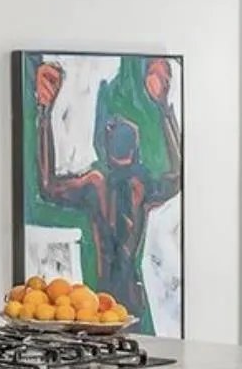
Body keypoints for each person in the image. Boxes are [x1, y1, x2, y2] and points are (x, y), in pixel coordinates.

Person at [33, 57, 182, 330]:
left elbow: (47, 186)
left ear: (103, 148)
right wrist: (164, 110)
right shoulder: (141, 184)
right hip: (132, 299)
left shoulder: (96, 184)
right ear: (135, 151)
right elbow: (180, 175)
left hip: (103, 300)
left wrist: (44, 113)